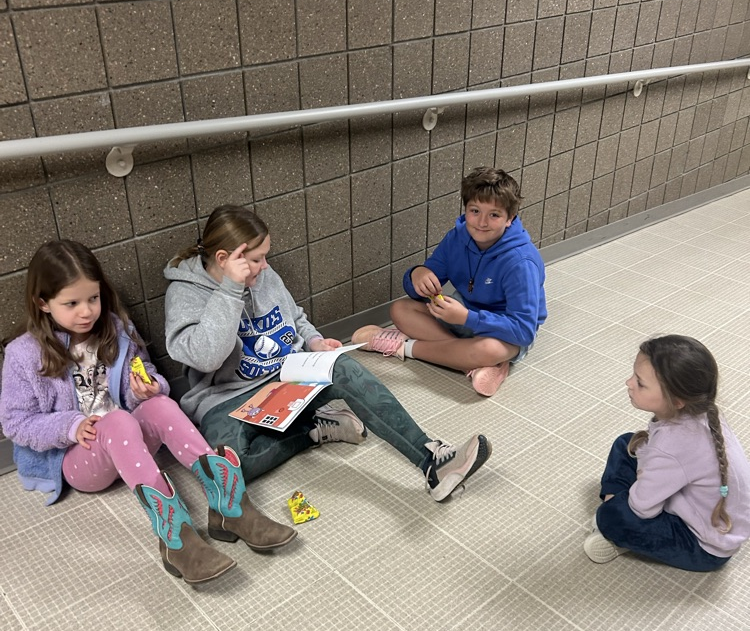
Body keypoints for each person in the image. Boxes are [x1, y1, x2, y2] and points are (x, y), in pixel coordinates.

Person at [0, 240, 297, 588]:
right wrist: (70, 425)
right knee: (120, 420)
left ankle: (231, 507)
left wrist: (148, 387)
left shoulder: (114, 328)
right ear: (43, 303)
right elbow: (15, 422)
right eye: (72, 303)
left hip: (130, 442)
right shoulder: (24, 354)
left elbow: (146, 372)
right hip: (79, 457)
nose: (86, 311)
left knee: (160, 405)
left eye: (93, 298)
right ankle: (177, 539)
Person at [163, 205, 491, 502]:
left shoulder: (264, 274)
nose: (265, 266)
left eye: (265, 256)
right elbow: (206, 358)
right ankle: (314, 430)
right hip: (225, 398)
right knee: (228, 469)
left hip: (285, 372)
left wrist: (315, 342)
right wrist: (231, 290)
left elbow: (295, 317)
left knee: (343, 367)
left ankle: (431, 459)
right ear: (224, 259)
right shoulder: (184, 293)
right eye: (256, 259)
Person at [352, 167, 547, 397]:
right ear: (466, 209)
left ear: (509, 219)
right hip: (461, 313)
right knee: (400, 309)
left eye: (494, 215)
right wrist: (417, 274)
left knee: (489, 349)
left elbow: (524, 331)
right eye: (475, 211)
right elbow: (423, 284)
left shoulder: (520, 262)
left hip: (502, 331)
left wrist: (467, 318)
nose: (482, 222)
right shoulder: (457, 237)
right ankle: (475, 364)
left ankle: (402, 347)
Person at [584, 335, 750, 571]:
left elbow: (643, 507)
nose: (628, 383)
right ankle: (618, 516)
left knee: (611, 517)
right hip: (702, 507)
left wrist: (624, 501)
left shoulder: (675, 445)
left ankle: (614, 530)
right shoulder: (705, 413)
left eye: (640, 383)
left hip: (703, 547)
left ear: (677, 400)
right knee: (626, 443)